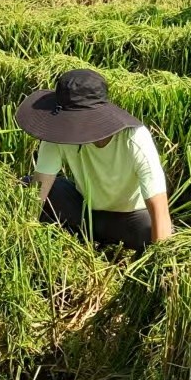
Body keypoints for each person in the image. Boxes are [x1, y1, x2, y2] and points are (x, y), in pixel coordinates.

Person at [17, 69, 172, 252]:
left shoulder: (134, 138)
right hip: (85, 212)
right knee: (27, 186)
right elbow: (38, 192)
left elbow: (159, 207)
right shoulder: (57, 135)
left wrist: (160, 256)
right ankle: (78, 239)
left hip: (129, 218)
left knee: (152, 230)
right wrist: (24, 235)